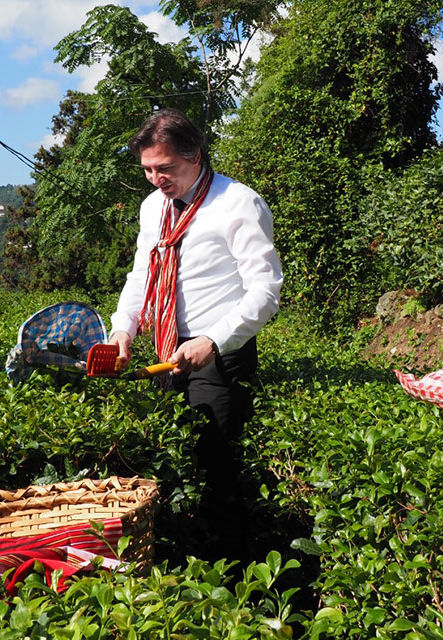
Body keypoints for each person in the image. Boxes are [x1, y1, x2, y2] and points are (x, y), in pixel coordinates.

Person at [107, 108, 283, 549]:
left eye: (164, 168)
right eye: (147, 169)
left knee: (217, 465)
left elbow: (265, 289)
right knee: (167, 458)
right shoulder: (154, 207)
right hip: (166, 346)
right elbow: (141, 275)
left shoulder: (238, 202)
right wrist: (123, 328)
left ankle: (232, 571)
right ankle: (180, 553)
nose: (155, 178)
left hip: (219, 350)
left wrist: (214, 340)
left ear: (195, 156)